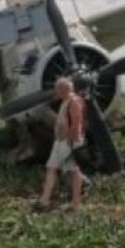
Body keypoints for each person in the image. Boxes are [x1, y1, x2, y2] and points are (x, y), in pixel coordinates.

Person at [36, 77, 89, 212]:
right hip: (60, 142)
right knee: (51, 168)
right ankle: (44, 199)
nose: (55, 92)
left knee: (73, 171)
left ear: (63, 89)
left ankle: (75, 203)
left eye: (57, 89)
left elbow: (76, 124)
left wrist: (72, 144)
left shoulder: (74, 102)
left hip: (68, 143)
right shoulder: (66, 101)